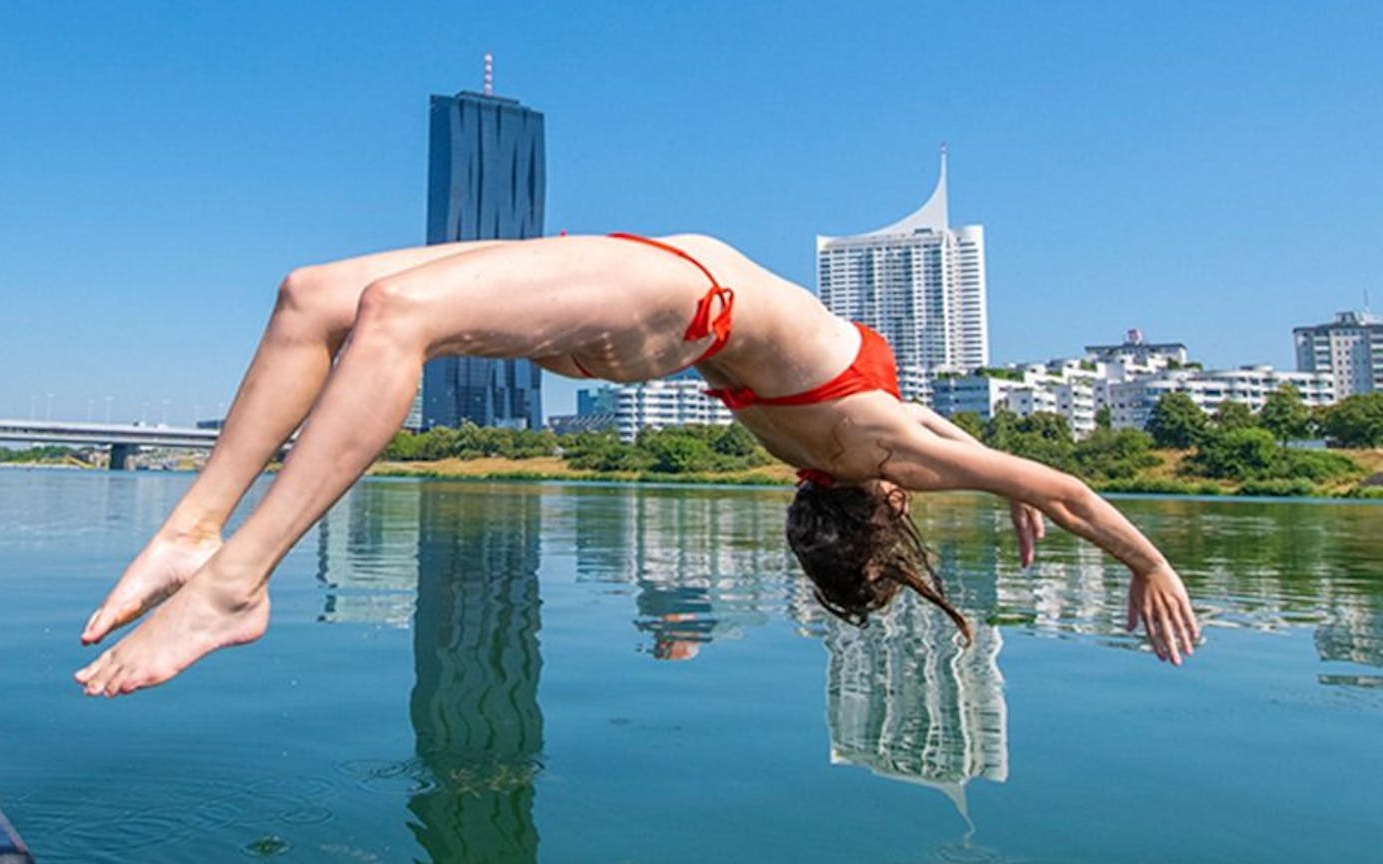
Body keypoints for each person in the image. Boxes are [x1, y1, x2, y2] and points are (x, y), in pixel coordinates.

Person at [74, 233, 1200, 697]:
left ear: (878, 498)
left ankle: (237, 581)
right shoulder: (862, 445)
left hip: (669, 296)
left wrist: (1141, 561)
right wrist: (1011, 496)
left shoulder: (869, 444)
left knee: (393, 315)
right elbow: (989, 461)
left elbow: (1058, 483)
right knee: (314, 292)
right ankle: (191, 526)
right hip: (652, 283)